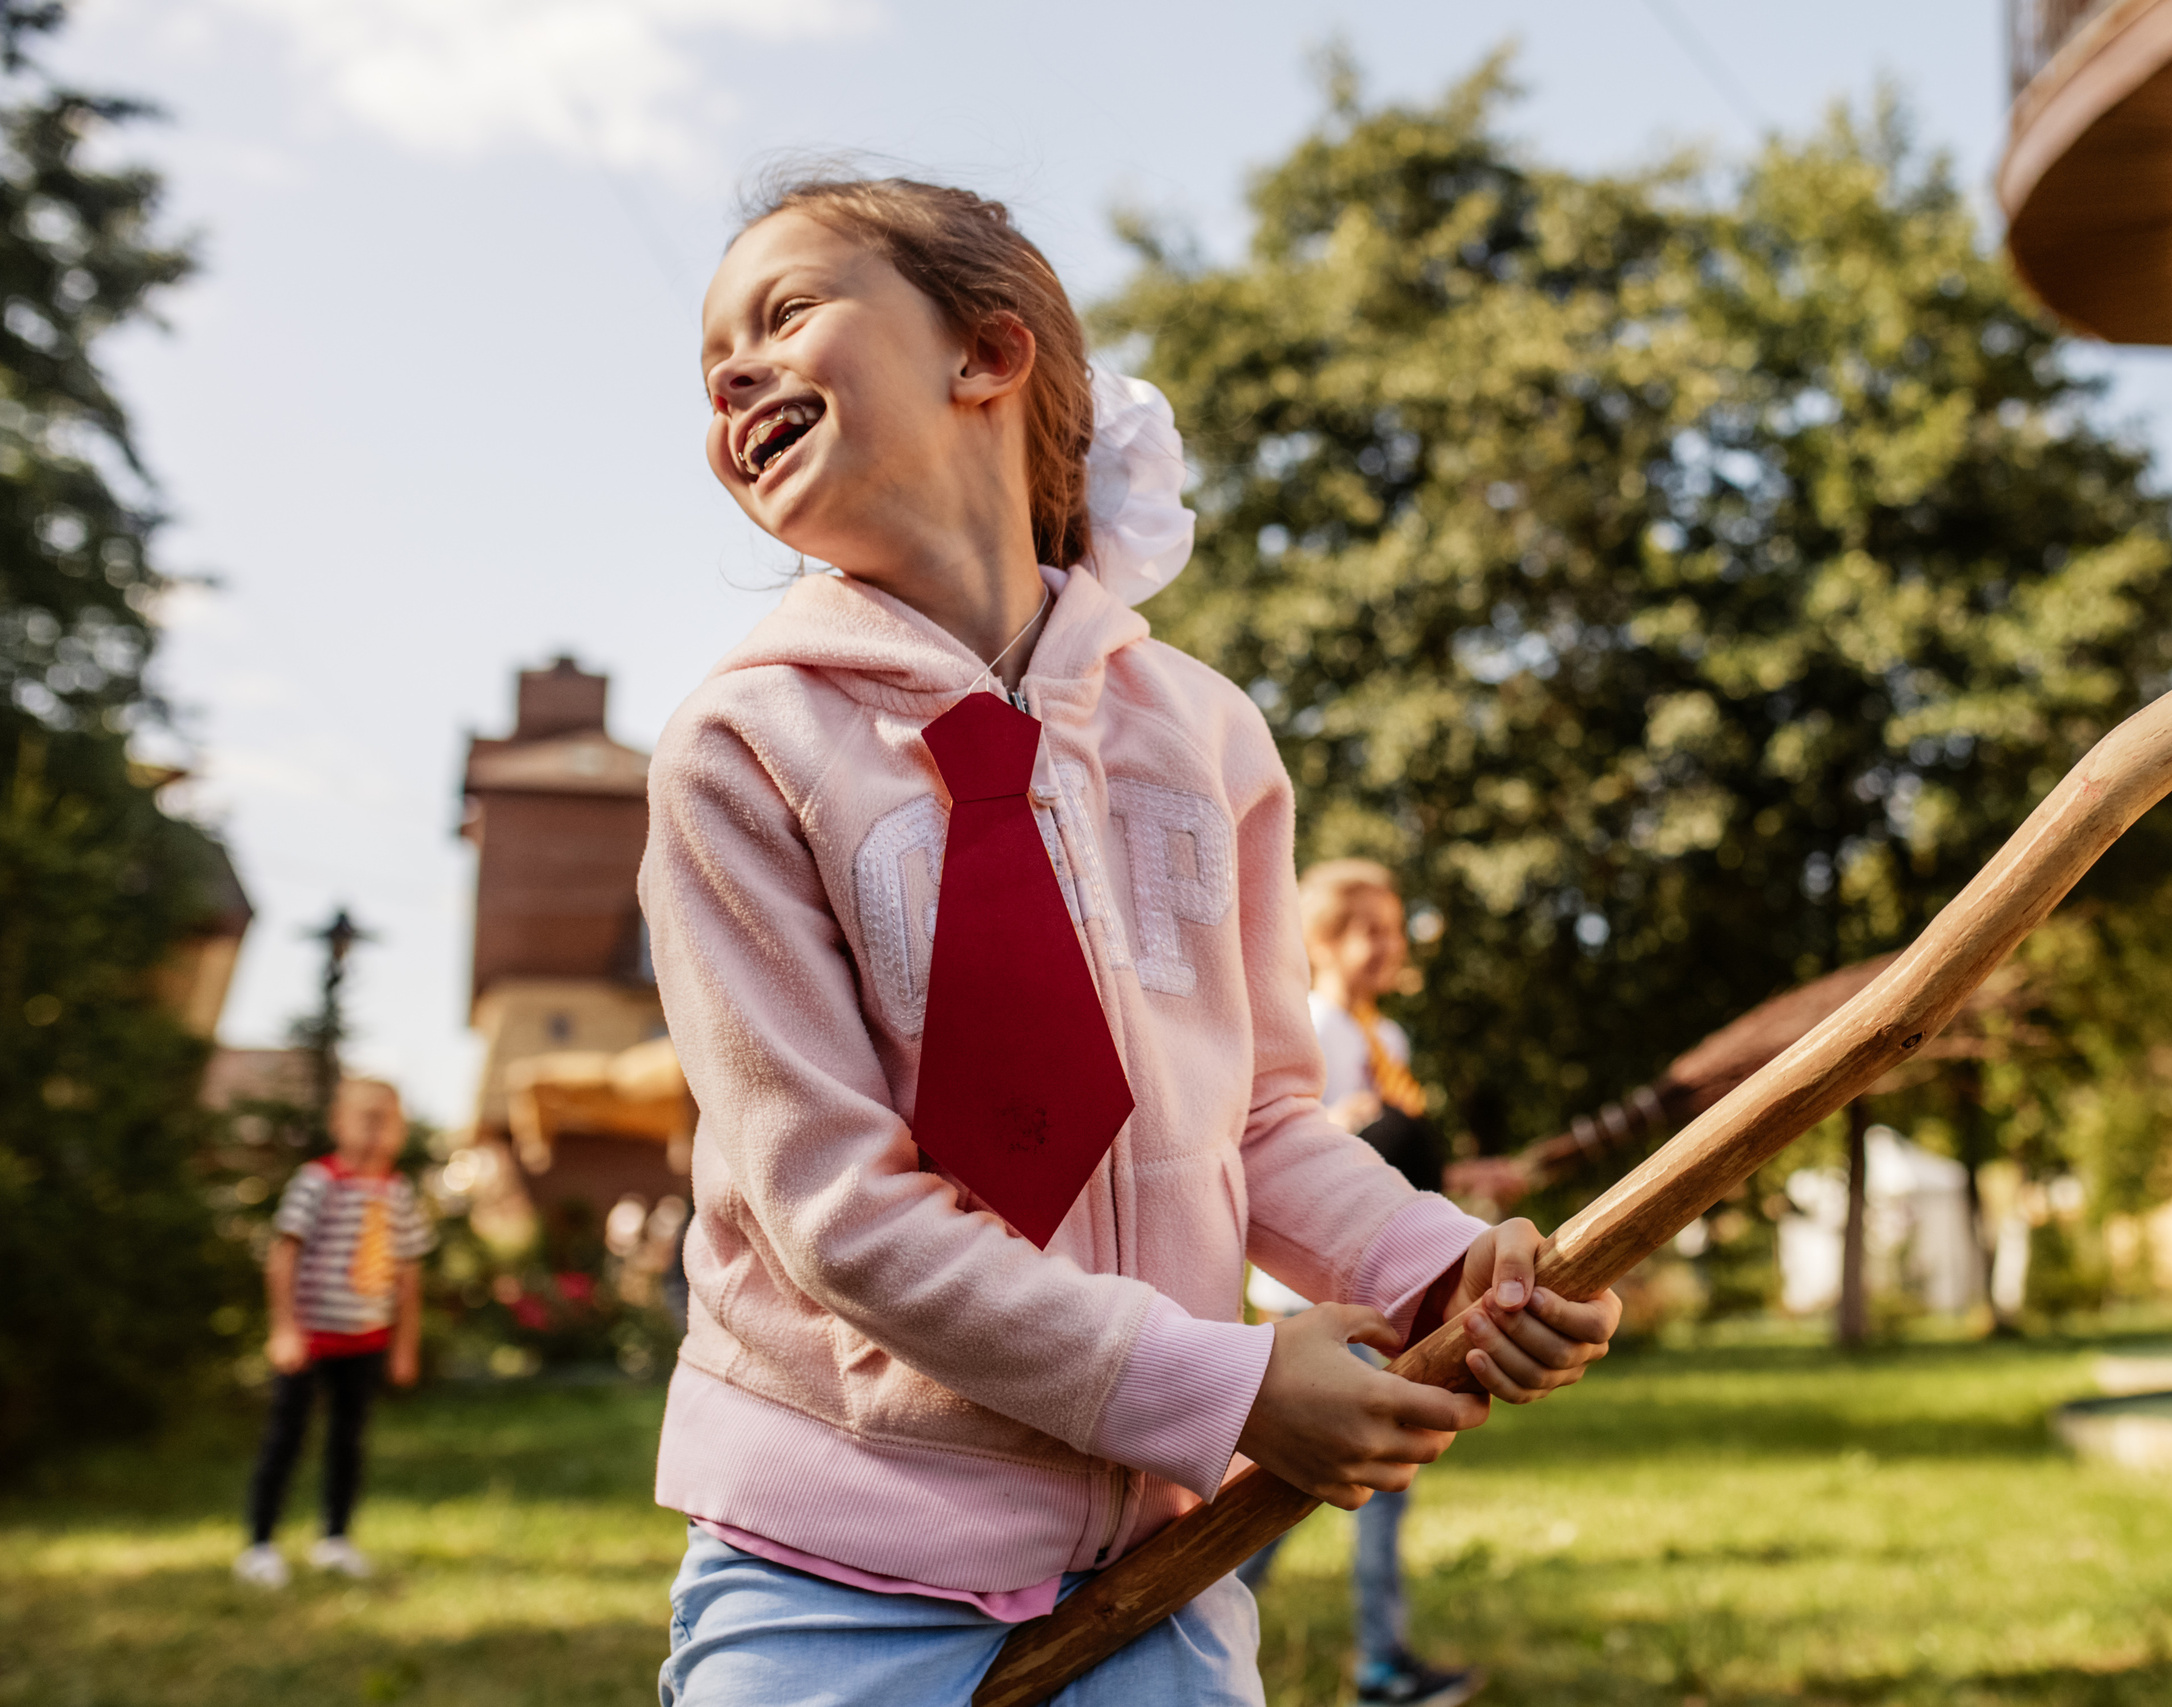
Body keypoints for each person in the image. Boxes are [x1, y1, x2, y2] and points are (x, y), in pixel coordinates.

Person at [646, 174, 1624, 1706]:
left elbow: (1263, 1118)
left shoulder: (1208, 737)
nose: (730, 373)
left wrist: (1439, 1268)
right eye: (712, 359)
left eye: (784, 312)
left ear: (988, 352)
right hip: (836, 1575)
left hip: (1158, 1576)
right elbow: (832, 1210)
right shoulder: (740, 750)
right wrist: (1223, 1383)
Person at [1238, 859, 1479, 1707]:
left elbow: (1400, 1167)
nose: (1388, 944)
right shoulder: (1309, 1027)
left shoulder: (1390, 1039)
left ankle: (1379, 1656)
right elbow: (1294, 1146)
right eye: (1366, 928)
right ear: (1320, 940)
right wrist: (1343, 1126)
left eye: (1394, 925)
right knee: (1341, 1483)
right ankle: (1380, 1664)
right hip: (1313, 1299)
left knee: (1352, 1485)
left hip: (1380, 1288)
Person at [235, 1078, 433, 1589]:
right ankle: (260, 1545)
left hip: (364, 1341)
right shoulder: (316, 1181)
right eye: (364, 1116)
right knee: (286, 1439)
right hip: (311, 1340)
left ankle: (335, 1539)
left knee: (348, 1441)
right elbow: (283, 1255)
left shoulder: (397, 1191)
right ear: (337, 1123)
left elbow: (408, 1276)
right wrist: (284, 1329)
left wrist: (404, 1346)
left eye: (386, 1118)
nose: (375, 1128)